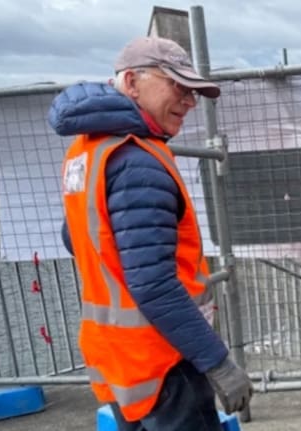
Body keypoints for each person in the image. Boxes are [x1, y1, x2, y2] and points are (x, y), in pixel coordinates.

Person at [50, 36, 252, 430]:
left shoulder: (88, 149)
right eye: (177, 86)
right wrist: (217, 362)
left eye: (193, 91)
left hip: (119, 359)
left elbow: (75, 237)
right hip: (165, 361)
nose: (190, 101)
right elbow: (154, 284)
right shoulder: (136, 160)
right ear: (131, 81)